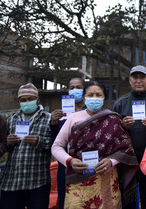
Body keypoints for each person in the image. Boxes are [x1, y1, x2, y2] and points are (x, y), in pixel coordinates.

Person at [52, 81, 139, 209]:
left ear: (103, 98)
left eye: (98, 95)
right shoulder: (73, 118)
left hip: (106, 179)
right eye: (90, 95)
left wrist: (111, 161)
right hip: (79, 180)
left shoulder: (113, 119)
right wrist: (70, 161)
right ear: (84, 98)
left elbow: (125, 148)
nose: (94, 98)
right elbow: (56, 146)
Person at [112, 65, 146, 209]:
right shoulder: (120, 103)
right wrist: (123, 127)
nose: (139, 81)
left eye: (142, 77)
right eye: (135, 77)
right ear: (130, 80)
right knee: (127, 200)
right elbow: (111, 132)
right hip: (127, 162)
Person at [0, 83, 52, 209]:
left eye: (30, 99)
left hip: (38, 181)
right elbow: (2, 145)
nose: (27, 102)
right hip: (12, 181)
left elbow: (56, 144)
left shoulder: (48, 119)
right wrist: (8, 142)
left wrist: (40, 141)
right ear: (19, 102)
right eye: (23, 100)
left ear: (38, 100)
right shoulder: (12, 119)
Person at [50, 77, 86, 209]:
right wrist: (53, 124)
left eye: (78, 87)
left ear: (84, 90)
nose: (75, 90)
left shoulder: (92, 110)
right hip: (65, 167)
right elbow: (55, 143)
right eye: (72, 88)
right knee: (67, 203)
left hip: (88, 165)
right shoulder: (61, 114)